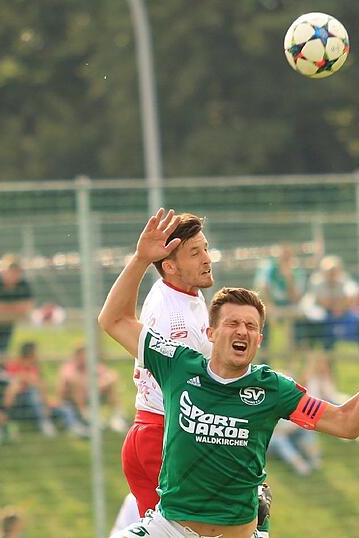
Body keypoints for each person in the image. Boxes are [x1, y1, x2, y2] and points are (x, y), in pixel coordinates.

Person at [102, 209, 359, 538]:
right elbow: (113, 320)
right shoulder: (180, 365)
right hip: (169, 510)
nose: (241, 331)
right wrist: (141, 259)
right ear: (210, 333)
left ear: (261, 339)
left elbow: (347, 422)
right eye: (231, 323)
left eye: (251, 326)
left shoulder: (272, 388)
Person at [120, 212, 215, 523]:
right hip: (165, 437)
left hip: (148, 430)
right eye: (195, 252)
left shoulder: (181, 292)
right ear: (170, 267)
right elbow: (194, 398)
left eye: (205, 248)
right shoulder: (178, 322)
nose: (207, 258)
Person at [57, 343, 126, 434]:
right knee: (77, 389)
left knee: (110, 387)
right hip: (71, 400)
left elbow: (112, 376)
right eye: (82, 355)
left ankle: (117, 417)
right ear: (77, 355)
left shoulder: (91, 365)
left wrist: (99, 385)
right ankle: (88, 418)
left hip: (91, 394)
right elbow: (72, 379)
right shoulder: (69, 366)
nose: (85, 357)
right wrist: (93, 386)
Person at [301, 255, 359, 350]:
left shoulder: (345, 280)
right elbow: (322, 301)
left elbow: (351, 297)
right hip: (320, 319)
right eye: (329, 271)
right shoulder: (316, 281)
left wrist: (339, 305)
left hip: (339, 315)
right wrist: (339, 304)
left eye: (334, 271)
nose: (332, 274)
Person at [4, 341, 58, 437]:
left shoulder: (34, 366)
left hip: (33, 401)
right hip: (17, 400)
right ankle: (44, 422)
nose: (38, 354)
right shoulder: (14, 364)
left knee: (61, 407)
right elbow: (13, 384)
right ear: (30, 353)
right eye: (36, 351)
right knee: (32, 392)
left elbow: (38, 383)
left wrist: (47, 404)